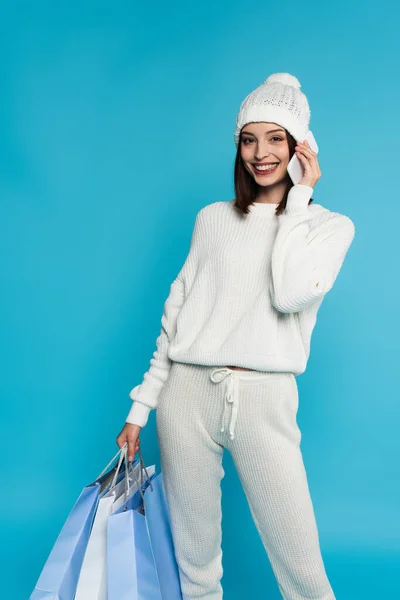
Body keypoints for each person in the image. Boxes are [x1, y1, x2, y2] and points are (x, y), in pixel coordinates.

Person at [116, 72, 355, 600]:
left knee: (302, 568)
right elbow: (177, 314)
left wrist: (298, 201)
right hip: (187, 394)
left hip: (264, 399)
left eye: (276, 138)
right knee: (193, 559)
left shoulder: (327, 226)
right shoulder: (212, 219)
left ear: (300, 147)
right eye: (250, 138)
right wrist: (141, 407)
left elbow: (290, 292)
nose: (261, 152)